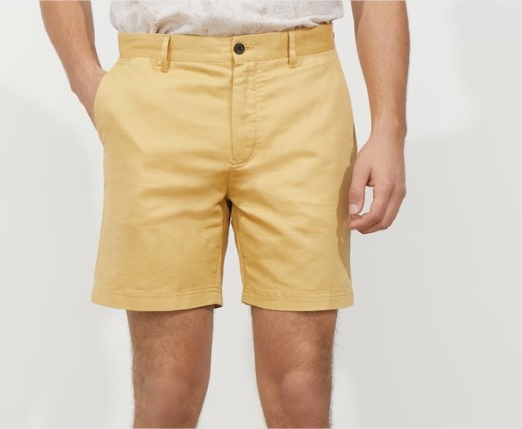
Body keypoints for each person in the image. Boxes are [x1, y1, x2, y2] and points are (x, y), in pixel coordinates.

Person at [40, 1, 409, 427]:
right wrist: (85, 79)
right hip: (158, 96)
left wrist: (389, 128)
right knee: (166, 394)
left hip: (299, 94)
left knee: (301, 396)